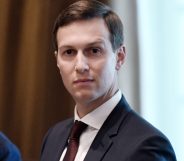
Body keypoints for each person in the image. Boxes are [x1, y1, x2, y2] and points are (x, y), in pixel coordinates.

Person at [40, 0, 177, 161]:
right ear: (57, 61)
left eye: (94, 50)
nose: (80, 66)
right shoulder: (53, 137)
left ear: (119, 57)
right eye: (69, 52)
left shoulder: (147, 146)